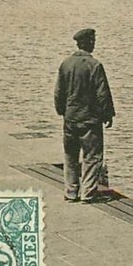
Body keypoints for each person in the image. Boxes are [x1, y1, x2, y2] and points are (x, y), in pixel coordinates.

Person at [54, 28, 115, 204]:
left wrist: (62, 111)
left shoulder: (66, 64)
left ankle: (71, 192)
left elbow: (59, 92)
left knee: (70, 155)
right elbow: (102, 93)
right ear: (88, 43)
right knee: (92, 156)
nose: (94, 43)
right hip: (89, 119)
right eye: (93, 41)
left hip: (70, 117)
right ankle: (88, 193)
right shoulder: (94, 65)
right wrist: (108, 114)